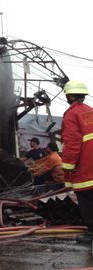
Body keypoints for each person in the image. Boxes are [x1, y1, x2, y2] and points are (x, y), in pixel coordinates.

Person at [61, 80, 93, 243]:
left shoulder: (71, 114)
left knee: (86, 198)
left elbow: (72, 144)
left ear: (70, 96)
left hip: (86, 167)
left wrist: (67, 169)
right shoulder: (90, 111)